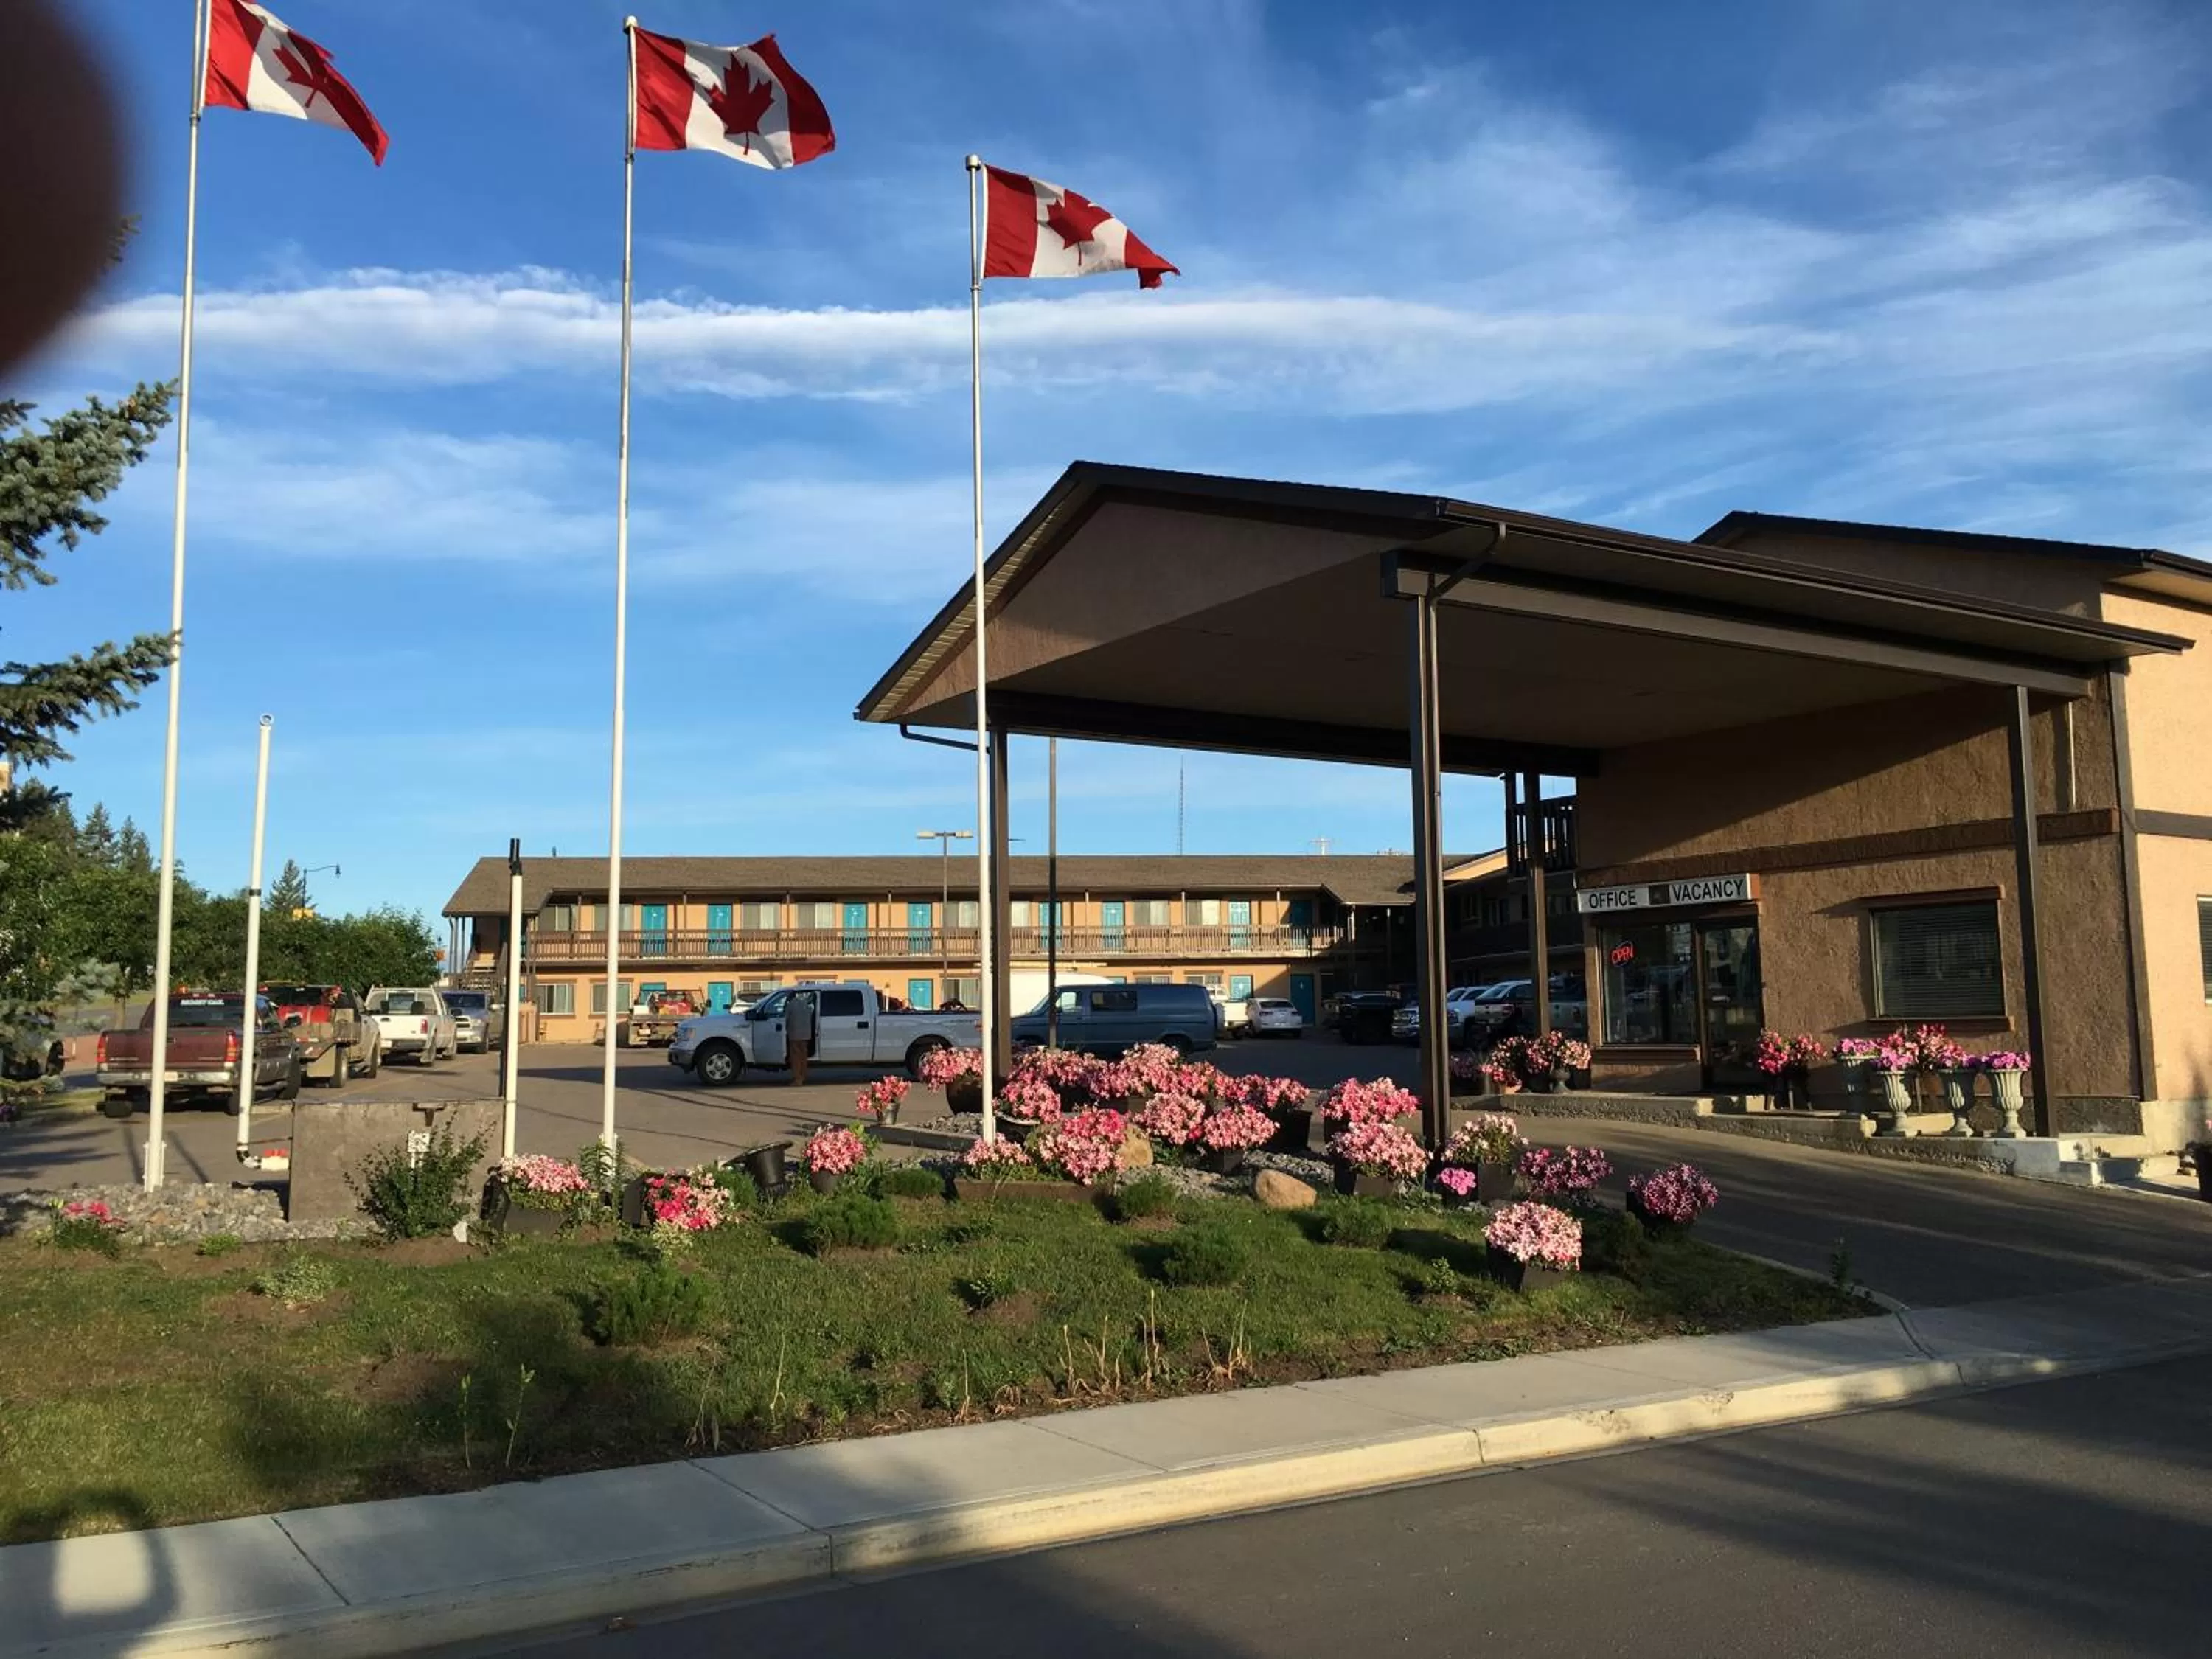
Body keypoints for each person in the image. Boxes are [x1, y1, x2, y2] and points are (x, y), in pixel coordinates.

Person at [786, 990, 817, 1085]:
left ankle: (797, 1079)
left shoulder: (790, 1005)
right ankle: (803, 1076)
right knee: (803, 1057)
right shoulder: (805, 1004)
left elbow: (786, 1019)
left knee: (796, 1058)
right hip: (806, 1035)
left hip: (795, 1035)